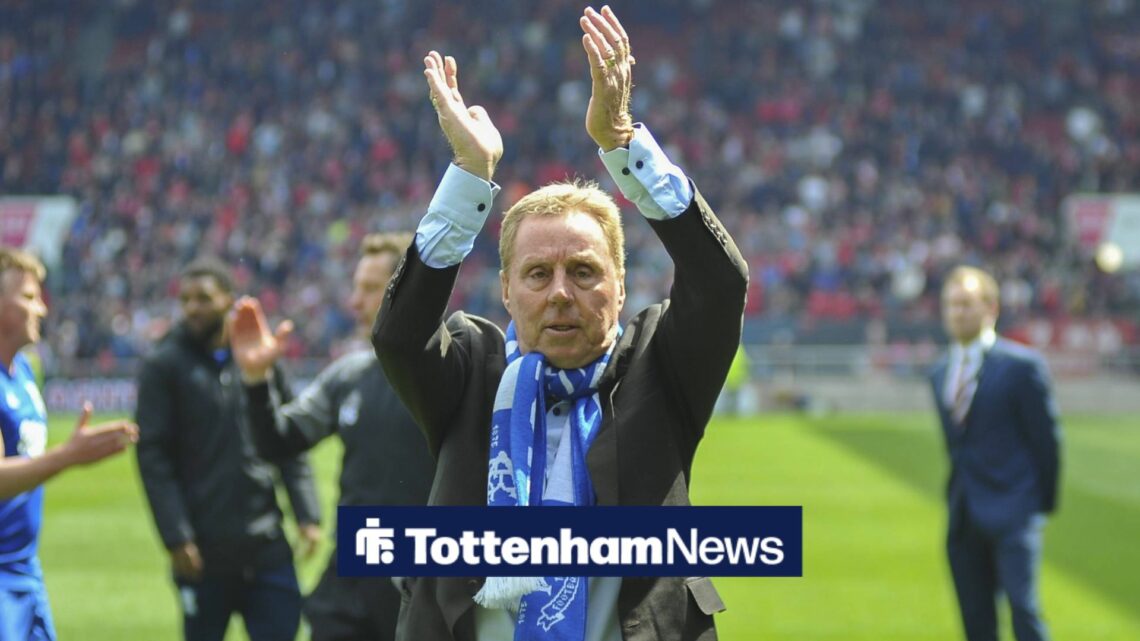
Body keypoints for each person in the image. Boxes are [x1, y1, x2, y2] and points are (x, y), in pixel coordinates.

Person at [372, 6, 748, 641]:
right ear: (508, 294)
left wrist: (623, 141)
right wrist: (469, 178)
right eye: (538, 275)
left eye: (583, 271)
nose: (561, 295)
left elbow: (719, 284)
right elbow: (400, 337)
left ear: (621, 287)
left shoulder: (661, 368)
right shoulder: (473, 372)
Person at [228, 233, 435, 641]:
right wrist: (256, 382)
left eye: (371, 289)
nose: (355, 302)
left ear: (408, 290)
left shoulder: (450, 372)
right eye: (356, 289)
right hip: (351, 572)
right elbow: (279, 442)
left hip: (424, 578)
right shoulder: (349, 375)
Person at [134, 256, 322, 641]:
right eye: (185, 299)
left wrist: (307, 513)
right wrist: (176, 536)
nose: (191, 308)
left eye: (203, 298)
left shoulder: (258, 359)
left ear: (229, 300)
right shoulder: (163, 366)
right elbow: (153, 458)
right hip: (202, 551)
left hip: (266, 545)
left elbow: (288, 439)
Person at [0, 247, 138, 641]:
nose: (41, 309)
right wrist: (67, 456)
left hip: (26, 570)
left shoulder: (25, 369)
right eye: (27, 297)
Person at [930, 265, 1062, 641]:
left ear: (991, 308)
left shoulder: (1022, 367)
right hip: (964, 514)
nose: (957, 312)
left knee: (1024, 612)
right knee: (975, 620)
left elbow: (1046, 440)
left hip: (1014, 512)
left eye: (967, 304)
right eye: (951, 304)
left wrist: (1038, 504)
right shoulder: (939, 373)